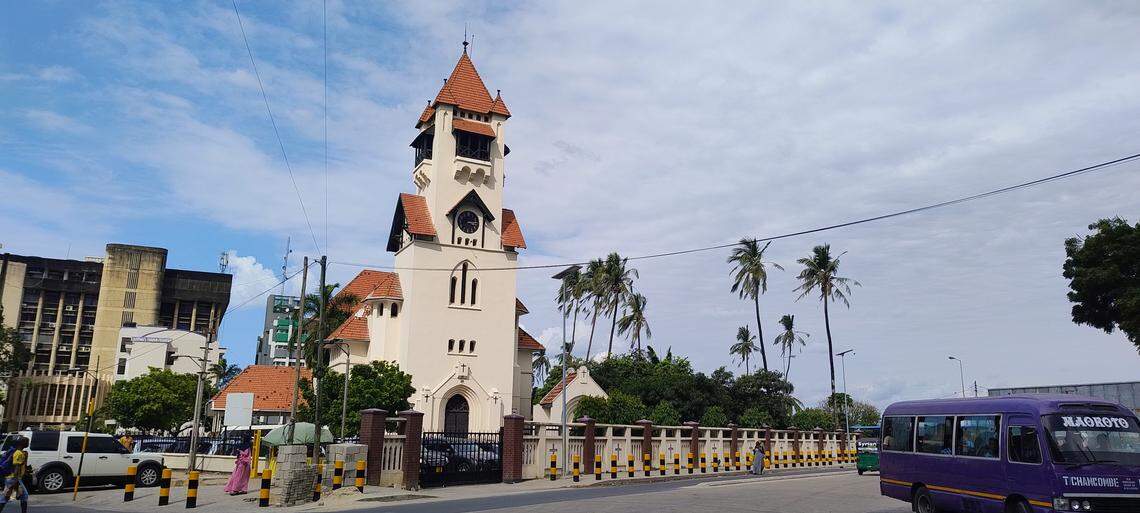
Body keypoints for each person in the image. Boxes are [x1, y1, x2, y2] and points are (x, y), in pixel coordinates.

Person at [0, 436, 29, 513]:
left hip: (13, 478)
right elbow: (16, 466)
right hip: (13, 478)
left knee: (22, 495)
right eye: (26, 442)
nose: (28, 443)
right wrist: (16, 479)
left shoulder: (18, 452)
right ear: (22, 444)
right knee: (6, 496)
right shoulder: (19, 453)